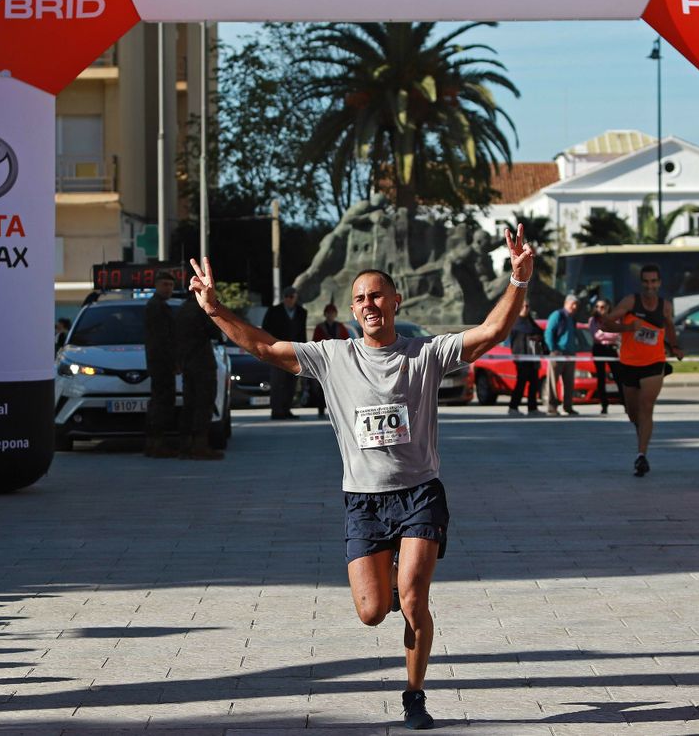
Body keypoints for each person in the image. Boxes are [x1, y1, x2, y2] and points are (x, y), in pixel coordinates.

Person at [185, 224, 537, 731]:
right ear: (352, 311)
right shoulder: (333, 357)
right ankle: (390, 580)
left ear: (395, 301)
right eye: (360, 299)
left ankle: (414, 694)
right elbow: (265, 348)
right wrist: (215, 309)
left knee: (413, 597)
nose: (369, 304)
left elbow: (492, 332)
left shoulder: (426, 353)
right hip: (364, 501)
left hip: (419, 494)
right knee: (372, 612)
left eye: (376, 295)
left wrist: (518, 280)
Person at [601, 264, 684, 477]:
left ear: (659, 283)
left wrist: (675, 346)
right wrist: (628, 328)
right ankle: (641, 431)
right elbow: (605, 324)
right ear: (641, 283)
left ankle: (641, 455)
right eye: (646, 281)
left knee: (646, 407)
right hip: (629, 364)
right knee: (633, 413)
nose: (650, 285)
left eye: (653, 281)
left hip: (654, 363)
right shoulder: (630, 302)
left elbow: (669, 326)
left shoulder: (665, 306)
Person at [173, 292, 225, 460]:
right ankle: (200, 447)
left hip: (188, 363)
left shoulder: (182, 310)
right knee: (204, 404)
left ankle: (185, 447)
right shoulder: (201, 309)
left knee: (189, 405)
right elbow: (215, 332)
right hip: (202, 363)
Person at [143, 272, 181, 457]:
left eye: (171, 285)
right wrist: (173, 362)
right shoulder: (156, 307)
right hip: (161, 362)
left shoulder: (160, 306)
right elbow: (162, 339)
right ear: (156, 285)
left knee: (162, 402)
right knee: (162, 403)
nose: (168, 288)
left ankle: (156, 443)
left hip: (160, 362)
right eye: (165, 284)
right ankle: (156, 444)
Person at [262, 286, 307, 420]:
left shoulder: (301, 312)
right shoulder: (274, 311)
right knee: (277, 381)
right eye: (286, 296)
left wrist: (304, 350)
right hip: (277, 350)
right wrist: (269, 346)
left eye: (291, 297)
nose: (289, 299)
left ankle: (286, 409)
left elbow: (302, 332)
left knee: (291, 382)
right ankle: (276, 411)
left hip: (294, 350)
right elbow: (265, 328)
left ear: (295, 298)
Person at [311, 303, 352, 419]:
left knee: (339, 387)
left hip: (338, 360)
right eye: (328, 313)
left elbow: (347, 342)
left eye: (332, 313)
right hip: (324, 360)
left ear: (335, 314)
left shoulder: (340, 327)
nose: (330, 315)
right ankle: (321, 410)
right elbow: (315, 343)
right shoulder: (320, 327)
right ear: (325, 314)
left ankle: (339, 411)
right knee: (322, 387)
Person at [543, 294, 582, 415]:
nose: (575, 307)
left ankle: (568, 406)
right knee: (553, 382)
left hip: (570, 354)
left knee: (569, 382)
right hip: (558, 353)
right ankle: (552, 407)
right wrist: (553, 349)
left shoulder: (573, 318)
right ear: (566, 303)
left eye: (576, 305)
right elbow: (549, 332)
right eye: (573, 304)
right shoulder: (557, 315)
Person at [507, 303, 544, 416]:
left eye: (527, 306)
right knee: (521, 384)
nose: (525, 308)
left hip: (532, 358)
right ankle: (513, 407)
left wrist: (537, 337)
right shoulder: (515, 322)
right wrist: (532, 335)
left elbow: (540, 332)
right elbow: (523, 332)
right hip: (522, 359)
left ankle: (532, 408)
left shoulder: (530, 321)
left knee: (534, 383)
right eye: (522, 306)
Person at [588, 297, 621, 414]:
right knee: (601, 377)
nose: (599, 309)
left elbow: (615, 334)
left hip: (611, 348)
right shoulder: (593, 320)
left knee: (618, 376)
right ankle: (604, 404)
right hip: (599, 349)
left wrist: (603, 333)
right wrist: (606, 333)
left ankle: (625, 402)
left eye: (602, 307)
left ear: (608, 308)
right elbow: (595, 336)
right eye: (597, 307)